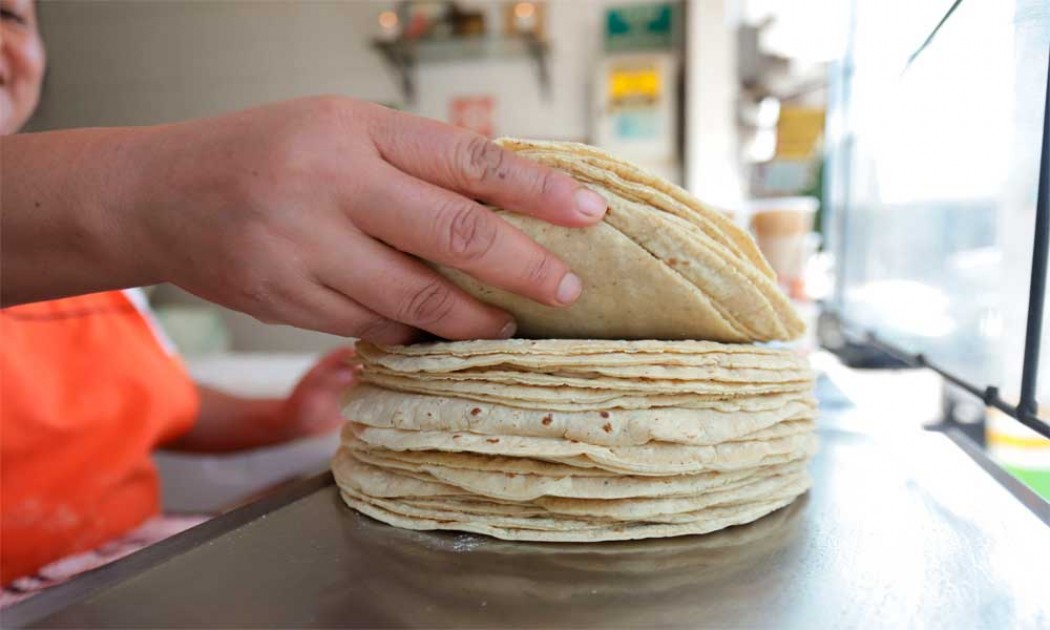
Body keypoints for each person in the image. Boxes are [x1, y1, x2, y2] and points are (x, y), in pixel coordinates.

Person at [0, 0, 606, 590]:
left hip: (120, 578)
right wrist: (148, 195)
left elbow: (151, 404)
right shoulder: (108, 232)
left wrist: (280, 417)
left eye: (10, 14)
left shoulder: (108, 274)